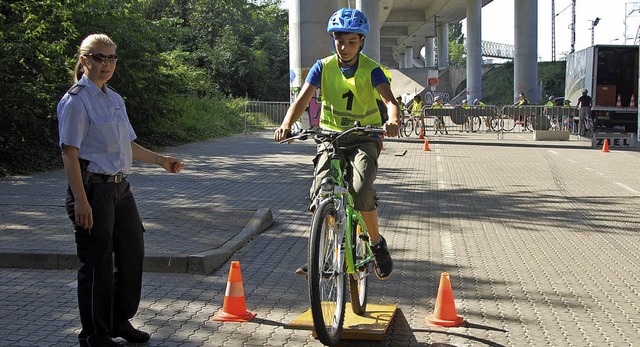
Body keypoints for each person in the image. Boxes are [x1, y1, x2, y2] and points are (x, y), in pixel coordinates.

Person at [57, 33, 185, 347]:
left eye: (112, 57)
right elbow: (69, 153)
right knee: (96, 263)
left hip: (120, 188)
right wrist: (82, 202)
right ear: (84, 59)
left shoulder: (114, 98)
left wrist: (160, 160)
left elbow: (126, 145)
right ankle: (94, 334)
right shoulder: (76, 100)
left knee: (132, 253)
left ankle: (118, 320)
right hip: (92, 189)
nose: (107, 64)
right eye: (100, 57)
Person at [273, 8, 399, 280]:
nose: (345, 47)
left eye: (352, 41)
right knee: (322, 191)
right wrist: (286, 124)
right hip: (330, 136)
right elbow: (301, 101)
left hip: (364, 137)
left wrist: (392, 121)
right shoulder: (323, 67)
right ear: (333, 40)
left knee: (360, 188)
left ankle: (377, 245)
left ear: (361, 42)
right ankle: (327, 252)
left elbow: (390, 101)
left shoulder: (372, 69)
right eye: (340, 41)